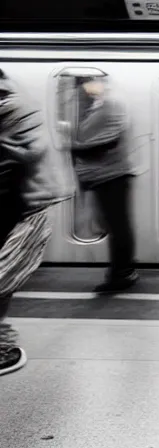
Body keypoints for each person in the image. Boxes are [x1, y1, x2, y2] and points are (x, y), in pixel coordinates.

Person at [0, 71, 72, 376]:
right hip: (19, 205)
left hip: (28, 209)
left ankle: (3, 348)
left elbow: (20, 157)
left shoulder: (13, 108)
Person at [71, 77, 138, 294]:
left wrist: (76, 149)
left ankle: (121, 274)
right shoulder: (103, 103)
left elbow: (111, 138)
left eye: (85, 83)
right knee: (115, 225)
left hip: (112, 174)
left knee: (117, 226)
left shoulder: (112, 102)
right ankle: (123, 271)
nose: (84, 88)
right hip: (105, 174)